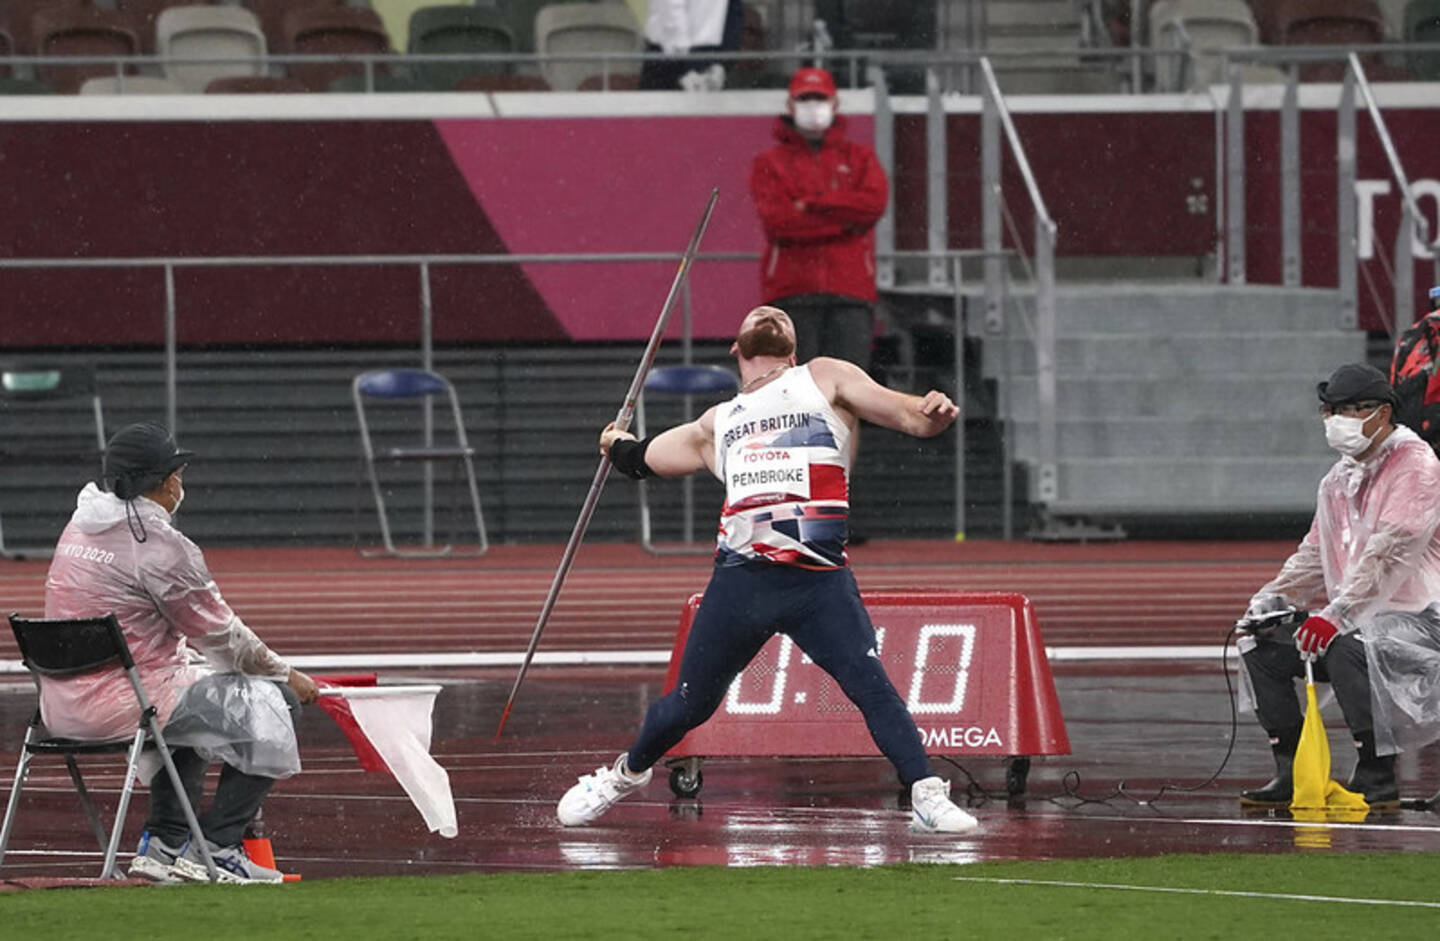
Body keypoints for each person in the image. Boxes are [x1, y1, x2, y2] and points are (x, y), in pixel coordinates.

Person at [555, 305, 977, 833]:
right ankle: (622, 776)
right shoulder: (717, 422)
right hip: (741, 584)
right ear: (737, 346)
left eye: (777, 312)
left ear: (790, 347)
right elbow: (642, 460)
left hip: (818, 583)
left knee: (871, 685)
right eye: (760, 312)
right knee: (689, 704)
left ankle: (925, 794)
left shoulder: (825, 377)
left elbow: (912, 416)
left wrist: (932, 411)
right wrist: (615, 442)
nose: (769, 311)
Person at [43, 421, 320, 883]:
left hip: (61, 707)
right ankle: (216, 846)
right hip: (128, 705)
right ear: (168, 481)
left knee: (195, 705)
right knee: (276, 705)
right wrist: (286, 675)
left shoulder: (79, 526)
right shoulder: (159, 547)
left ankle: (165, 842)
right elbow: (224, 638)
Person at [1237, 363, 1440, 810]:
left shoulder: (1417, 465)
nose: (1339, 420)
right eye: (1333, 410)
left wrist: (1336, 616)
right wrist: (1268, 603)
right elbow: (1312, 555)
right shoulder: (1338, 479)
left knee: (1347, 642)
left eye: (1353, 409)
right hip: (1360, 620)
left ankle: (1376, 773)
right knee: (1261, 644)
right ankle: (1292, 767)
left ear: (1384, 413)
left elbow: (1392, 551)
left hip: (1425, 622)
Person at [748, 66, 888, 375]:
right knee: (793, 393)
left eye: (819, 98)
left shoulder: (860, 157)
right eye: (805, 98)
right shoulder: (769, 163)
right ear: (790, 105)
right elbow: (779, 221)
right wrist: (845, 222)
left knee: (851, 395)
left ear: (835, 103)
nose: (813, 107)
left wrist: (812, 204)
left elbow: (873, 205)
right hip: (791, 293)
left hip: (850, 292)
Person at [639, 0, 743, 91]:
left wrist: (722, 63)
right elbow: (670, 8)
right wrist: (686, 60)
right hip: (670, 53)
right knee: (658, 108)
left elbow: (733, 11)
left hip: (708, 53)